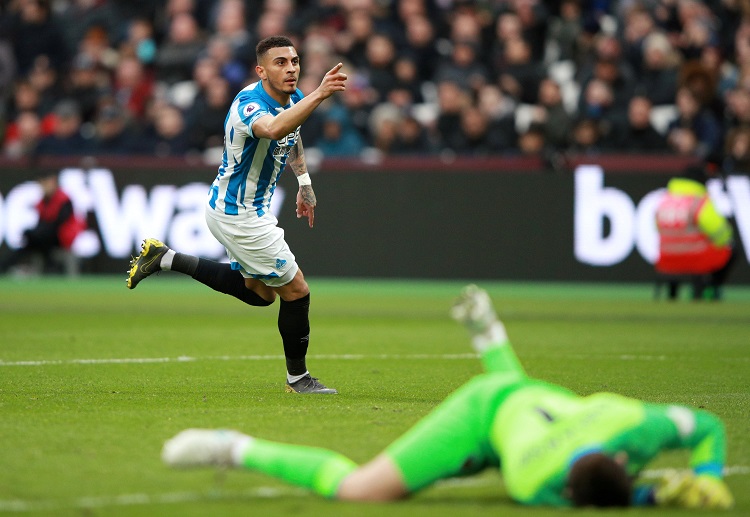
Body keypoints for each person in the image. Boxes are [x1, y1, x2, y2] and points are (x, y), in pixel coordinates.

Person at [161, 285, 734, 510]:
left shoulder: (629, 420)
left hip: (528, 398)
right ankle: (231, 448)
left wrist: (702, 471)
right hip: (481, 417)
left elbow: (705, 424)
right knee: (361, 491)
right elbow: (696, 433)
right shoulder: (535, 480)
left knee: (515, 391)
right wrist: (673, 492)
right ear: (623, 460)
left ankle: (488, 331)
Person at [126, 36, 348, 394]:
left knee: (260, 294)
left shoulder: (291, 98)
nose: (290, 68)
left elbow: (292, 131)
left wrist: (304, 181)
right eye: (280, 62)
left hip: (246, 210)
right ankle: (298, 379)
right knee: (297, 290)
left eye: (294, 61)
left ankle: (165, 258)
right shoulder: (249, 103)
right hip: (238, 213)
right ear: (261, 70)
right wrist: (319, 94)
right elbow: (274, 128)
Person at [654, 164, 736, 300]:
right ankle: (711, 288)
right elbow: (721, 233)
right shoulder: (699, 201)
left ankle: (672, 293)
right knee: (732, 251)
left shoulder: (664, 200)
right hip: (697, 259)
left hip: (667, 260)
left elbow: (657, 227)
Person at [0, 171, 86, 275]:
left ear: (53, 182)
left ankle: (50, 269)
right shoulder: (43, 202)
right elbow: (42, 223)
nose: (43, 187)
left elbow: (58, 224)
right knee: (30, 242)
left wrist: (35, 233)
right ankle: (4, 267)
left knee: (36, 240)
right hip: (47, 239)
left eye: (45, 183)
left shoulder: (64, 200)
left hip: (62, 238)